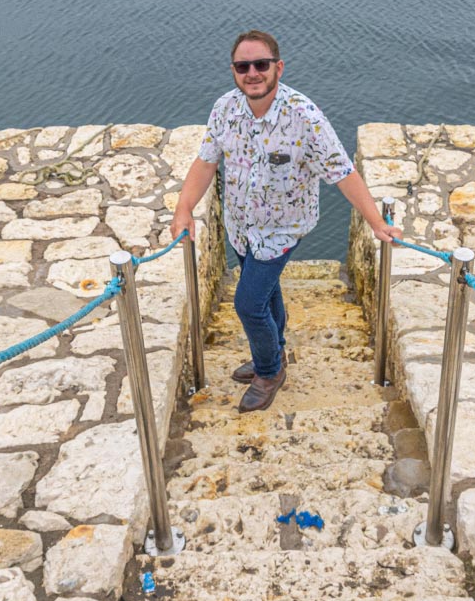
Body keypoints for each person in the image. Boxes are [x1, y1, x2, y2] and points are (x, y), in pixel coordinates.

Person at [168, 30, 395, 412]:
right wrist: (183, 209)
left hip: (283, 229)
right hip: (241, 228)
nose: (252, 73)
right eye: (244, 66)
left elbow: (342, 171)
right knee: (267, 293)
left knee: (248, 304)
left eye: (261, 65)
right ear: (234, 71)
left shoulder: (304, 117)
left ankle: (270, 370)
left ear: (278, 67)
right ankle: (274, 352)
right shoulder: (226, 109)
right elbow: (206, 161)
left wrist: (375, 222)